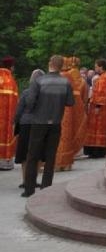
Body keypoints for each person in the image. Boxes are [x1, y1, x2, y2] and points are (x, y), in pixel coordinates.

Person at [21, 55, 74, 197]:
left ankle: (29, 189)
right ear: (61, 66)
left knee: (33, 155)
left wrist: (35, 110)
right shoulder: (66, 82)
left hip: (39, 122)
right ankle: (46, 188)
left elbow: (30, 101)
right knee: (51, 156)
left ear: (50, 63)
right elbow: (70, 102)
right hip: (56, 122)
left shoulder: (39, 81)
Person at [54, 55, 88, 171]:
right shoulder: (71, 77)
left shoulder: (59, 76)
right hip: (70, 112)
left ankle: (58, 163)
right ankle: (67, 163)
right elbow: (77, 99)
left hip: (58, 112)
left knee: (58, 138)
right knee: (67, 138)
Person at [13, 69, 44, 186]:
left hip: (26, 124)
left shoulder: (26, 92)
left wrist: (15, 121)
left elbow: (19, 110)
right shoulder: (45, 94)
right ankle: (34, 180)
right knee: (38, 153)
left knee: (25, 154)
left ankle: (25, 180)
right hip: (40, 124)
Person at [84, 58, 106, 158]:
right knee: (94, 128)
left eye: (96, 66)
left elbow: (102, 93)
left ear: (101, 67)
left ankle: (97, 151)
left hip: (100, 109)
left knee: (98, 129)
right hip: (96, 107)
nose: (95, 68)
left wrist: (97, 106)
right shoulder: (102, 77)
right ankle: (93, 150)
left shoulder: (104, 78)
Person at [0, 57, 19, 170]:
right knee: (6, 136)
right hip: (6, 118)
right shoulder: (10, 81)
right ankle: (4, 162)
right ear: (11, 67)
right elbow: (15, 102)